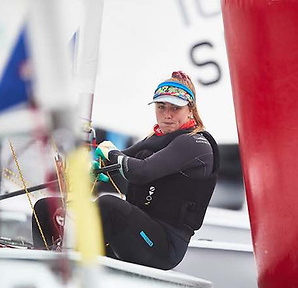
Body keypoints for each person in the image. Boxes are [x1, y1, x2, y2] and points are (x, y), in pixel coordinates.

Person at [32, 71, 219, 270]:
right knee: (45, 207)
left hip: (164, 246)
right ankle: (45, 270)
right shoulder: (153, 140)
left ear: (190, 110)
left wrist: (111, 153)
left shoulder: (196, 144)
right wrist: (85, 170)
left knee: (110, 206)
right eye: (161, 107)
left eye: (175, 108)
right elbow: (117, 161)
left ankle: (76, 266)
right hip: (133, 233)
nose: (167, 115)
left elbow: (139, 171)